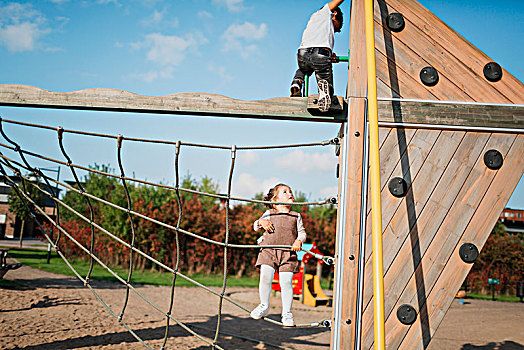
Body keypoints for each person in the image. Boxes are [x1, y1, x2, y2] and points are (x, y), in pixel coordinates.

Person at [250, 184, 307, 327]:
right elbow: (255, 227)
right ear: (275, 199)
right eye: (285, 192)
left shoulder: (296, 216)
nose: (290, 194)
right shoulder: (269, 213)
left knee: (286, 283)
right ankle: (264, 305)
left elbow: (302, 233)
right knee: (265, 278)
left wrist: (299, 240)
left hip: (288, 254)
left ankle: (286, 314)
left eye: (290, 191)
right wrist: (260, 222)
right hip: (268, 251)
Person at [290, 0, 344, 113]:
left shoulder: (314, 18)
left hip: (302, 53)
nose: (334, 30)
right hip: (320, 53)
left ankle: (297, 82)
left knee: (303, 69)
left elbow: (318, 38)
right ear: (334, 14)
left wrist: (330, 54)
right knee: (324, 75)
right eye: (335, 26)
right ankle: (325, 92)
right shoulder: (326, 12)